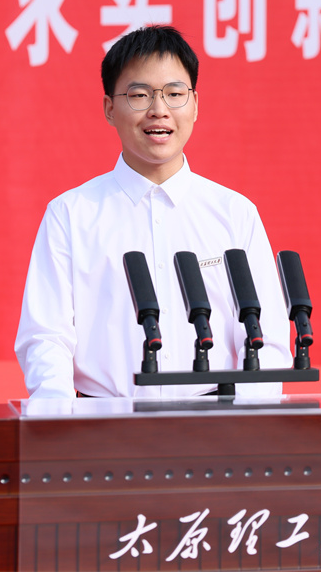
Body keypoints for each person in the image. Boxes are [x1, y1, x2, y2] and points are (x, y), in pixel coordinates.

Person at [15, 25, 291, 399]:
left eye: (175, 94)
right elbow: (46, 337)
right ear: (109, 108)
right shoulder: (70, 215)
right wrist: (63, 425)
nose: (159, 110)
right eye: (140, 95)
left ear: (195, 105)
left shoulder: (234, 214)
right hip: (103, 421)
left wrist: (243, 425)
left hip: (217, 421)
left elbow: (266, 339)